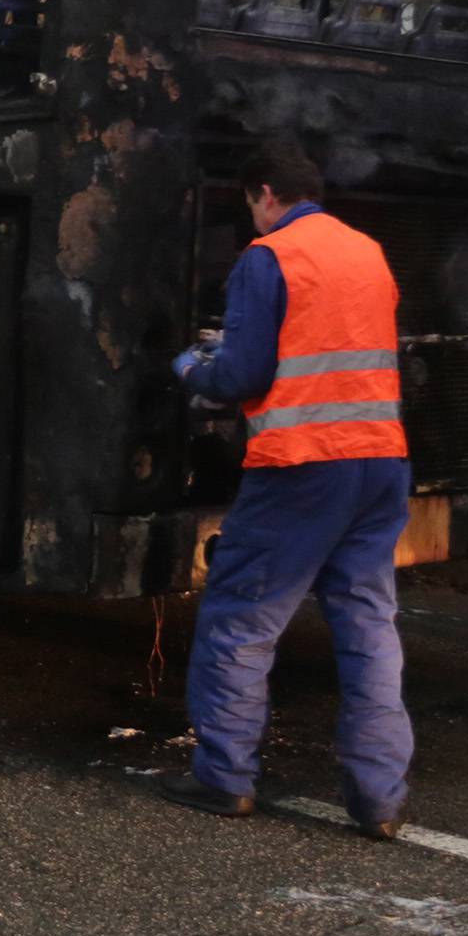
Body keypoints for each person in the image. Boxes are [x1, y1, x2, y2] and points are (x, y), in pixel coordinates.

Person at [162, 137, 413, 838]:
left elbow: (240, 376)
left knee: (242, 621)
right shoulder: (368, 251)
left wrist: (189, 364)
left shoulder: (268, 257)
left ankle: (222, 777)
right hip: (381, 462)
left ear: (264, 196)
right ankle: (379, 801)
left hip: (302, 466)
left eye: (251, 205)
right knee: (368, 627)